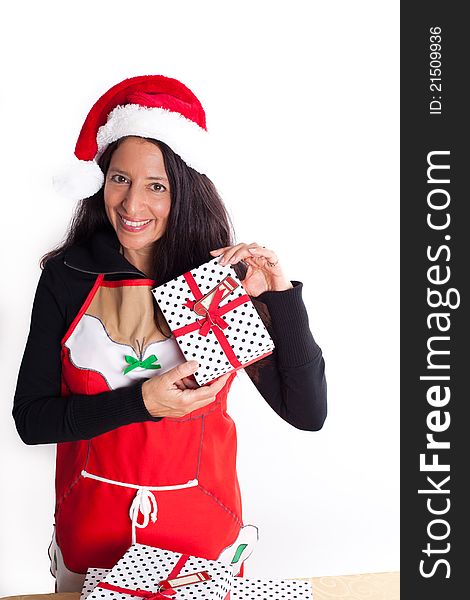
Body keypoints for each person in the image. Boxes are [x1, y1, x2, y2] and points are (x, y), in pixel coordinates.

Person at [13, 75, 327, 592]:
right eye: (119, 179)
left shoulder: (212, 285)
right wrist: (142, 404)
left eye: (156, 185)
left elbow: (307, 412)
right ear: (101, 182)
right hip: (92, 537)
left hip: (203, 539)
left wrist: (280, 297)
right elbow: (32, 420)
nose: (133, 205)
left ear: (182, 189)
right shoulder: (68, 276)